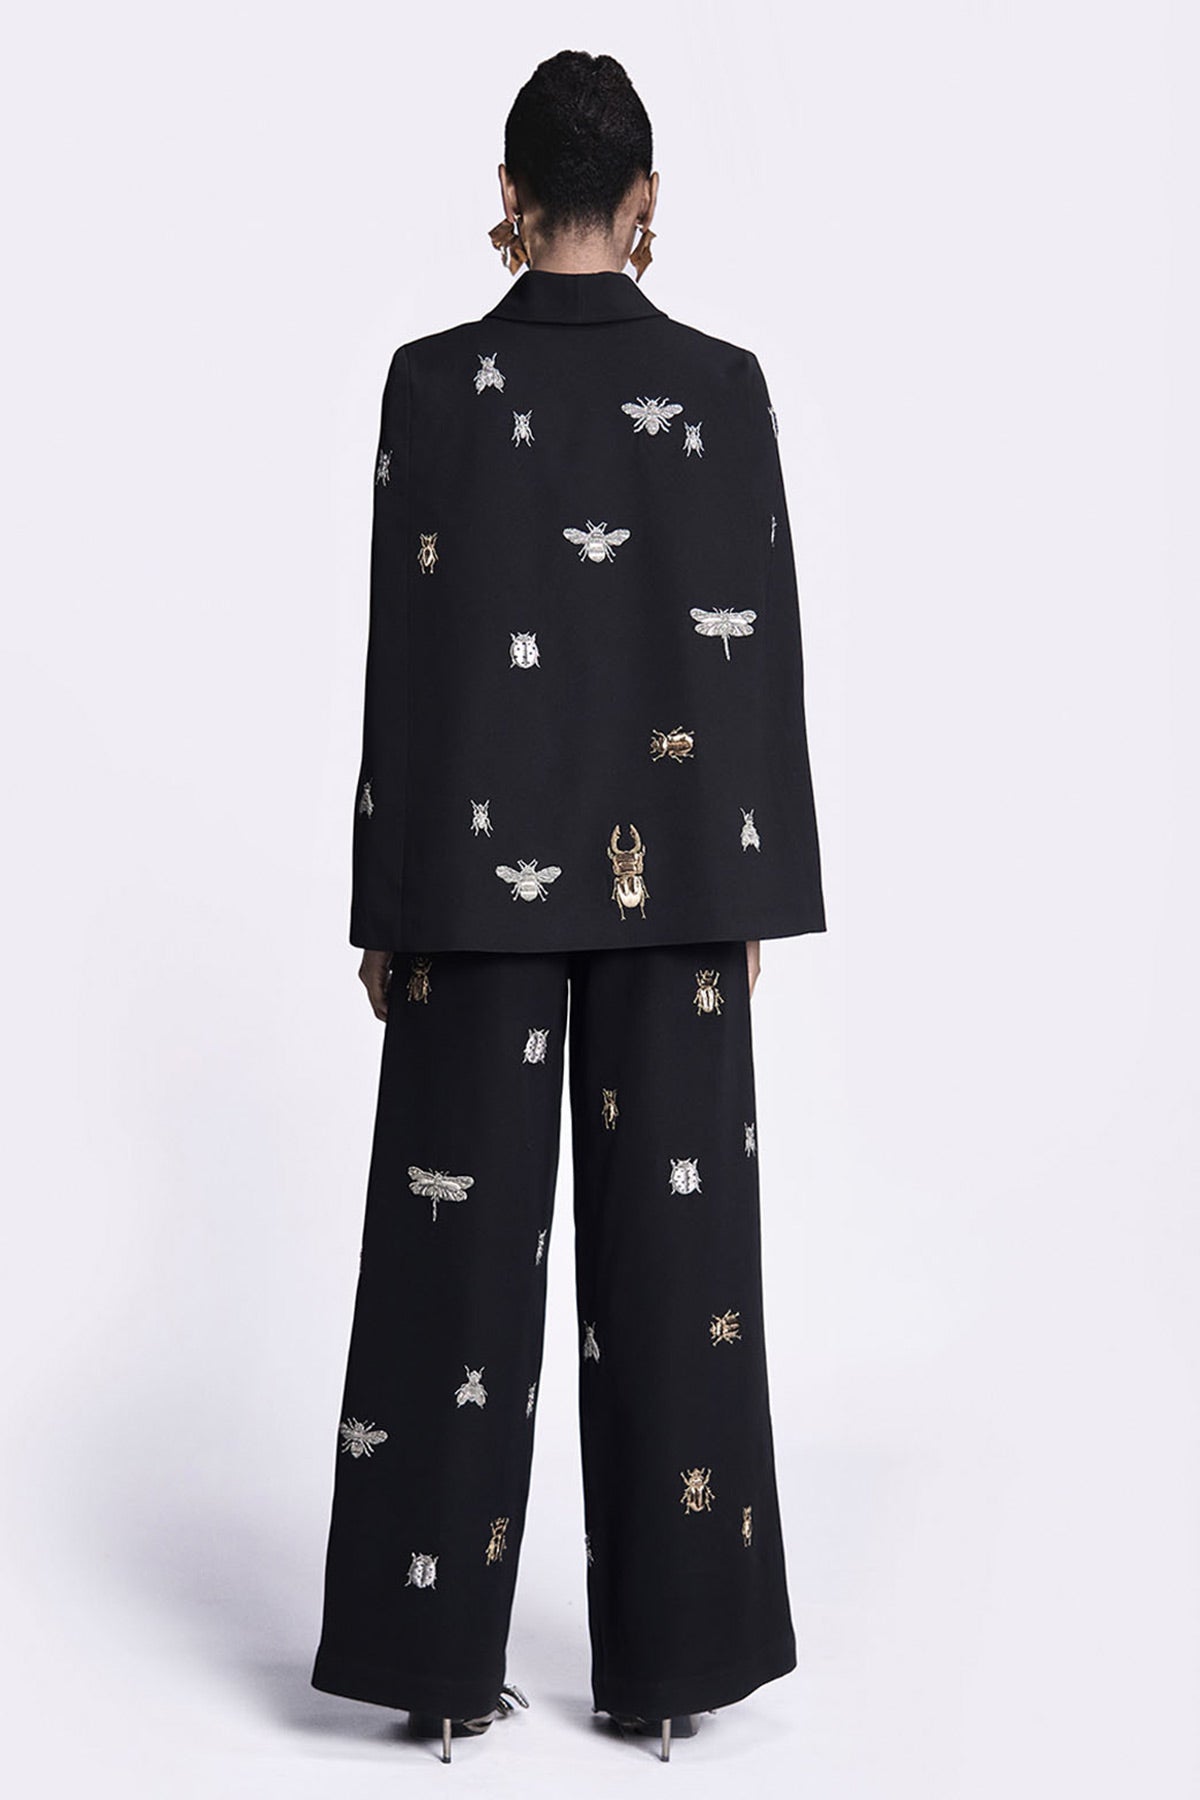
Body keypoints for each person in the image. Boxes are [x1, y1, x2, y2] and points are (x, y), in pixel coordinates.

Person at [310, 49, 826, 1763]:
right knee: (683, 1268)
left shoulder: (430, 389)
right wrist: (747, 888)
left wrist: (388, 900)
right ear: (649, 201)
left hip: (470, 887)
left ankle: (433, 1672)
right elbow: (758, 665)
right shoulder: (727, 389)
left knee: (446, 1272)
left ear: (511, 194)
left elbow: (404, 661)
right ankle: (674, 1674)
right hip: (679, 884)